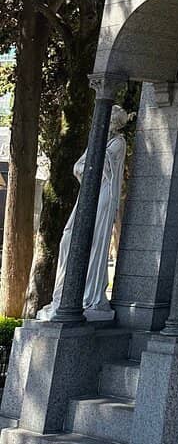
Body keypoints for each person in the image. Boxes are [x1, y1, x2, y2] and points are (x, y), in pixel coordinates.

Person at [38, 106, 130, 320]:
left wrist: (88, 163)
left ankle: (89, 295)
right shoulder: (100, 141)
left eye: (108, 122)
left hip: (103, 196)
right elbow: (79, 166)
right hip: (89, 193)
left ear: (114, 124)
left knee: (94, 243)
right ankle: (64, 292)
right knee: (68, 237)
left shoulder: (117, 143)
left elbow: (97, 166)